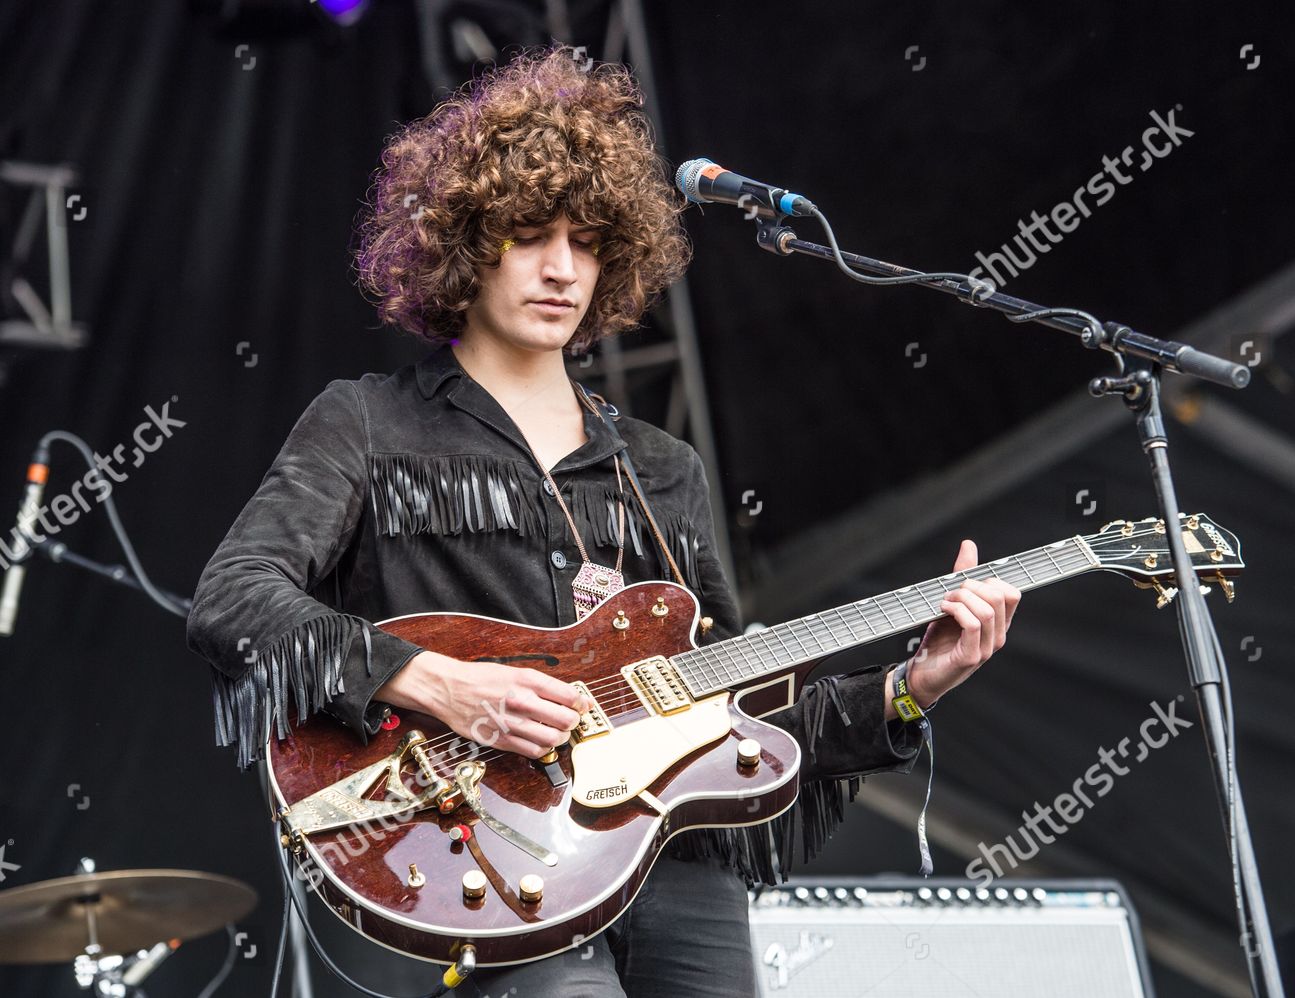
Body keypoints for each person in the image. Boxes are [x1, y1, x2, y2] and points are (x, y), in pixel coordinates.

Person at [186, 45, 1021, 997]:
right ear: (465, 243)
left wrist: (912, 688)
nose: (561, 268)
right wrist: (441, 685)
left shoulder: (661, 469)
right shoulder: (368, 422)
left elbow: (735, 710)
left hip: (675, 864)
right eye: (529, 234)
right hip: (487, 850)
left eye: (586, 242)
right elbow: (234, 601)